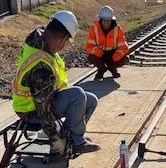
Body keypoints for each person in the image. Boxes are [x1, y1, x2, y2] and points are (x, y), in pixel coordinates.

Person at [12, 10, 100, 154]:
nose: (64, 47)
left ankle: (70, 138)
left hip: (42, 101)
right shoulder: (41, 65)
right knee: (77, 95)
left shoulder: (41, 44)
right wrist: (54, 138)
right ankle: (77, 142)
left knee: (90, 100)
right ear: (62, 38)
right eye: (66, 42)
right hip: (30, 111)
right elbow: (43, 110)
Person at [85, 5, 130, 80]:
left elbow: (124, 47)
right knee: (91, 57)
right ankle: (101, 69)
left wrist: (114, 58)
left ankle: (112, 68)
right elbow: (89, 47)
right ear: (100, 20)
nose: (106, 22)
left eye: (108, 20)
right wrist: (99, 52)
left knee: (125, 59)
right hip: (100, 54)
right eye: (104, 20)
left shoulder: (117, 29)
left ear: (111, 20)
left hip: (113, 54)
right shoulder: (94, 28)